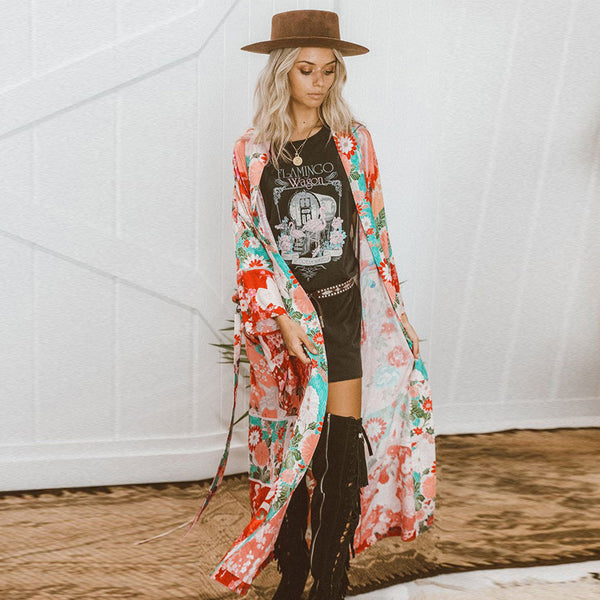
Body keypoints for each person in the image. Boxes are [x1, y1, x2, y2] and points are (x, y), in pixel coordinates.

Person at [135, 9, 436, 600]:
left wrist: (397, 315)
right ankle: (293, 570)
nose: (319, 81)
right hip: (289, 323)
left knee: (340, 448)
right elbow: (250, 240)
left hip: (343, 312)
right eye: (305, 69)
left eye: (328, 70)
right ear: (281, 73)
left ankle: (331, 578)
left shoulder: (353, 141)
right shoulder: (252, 151)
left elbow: (375, 232)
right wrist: (279, 317)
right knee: (288, 452)